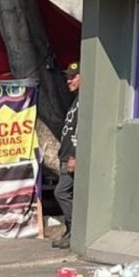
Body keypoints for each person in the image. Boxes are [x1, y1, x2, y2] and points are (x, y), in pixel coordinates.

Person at [52, 62, 80, 250]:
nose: (68, 80)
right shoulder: (75, 100)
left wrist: (74, 156)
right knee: (67, 193)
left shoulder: (85, 100)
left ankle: (75, 231)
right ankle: (70, 231)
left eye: (73, 76)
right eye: (67, 77)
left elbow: (81, 130)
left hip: (72, 157)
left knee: (61, 192)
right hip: (65, 155)